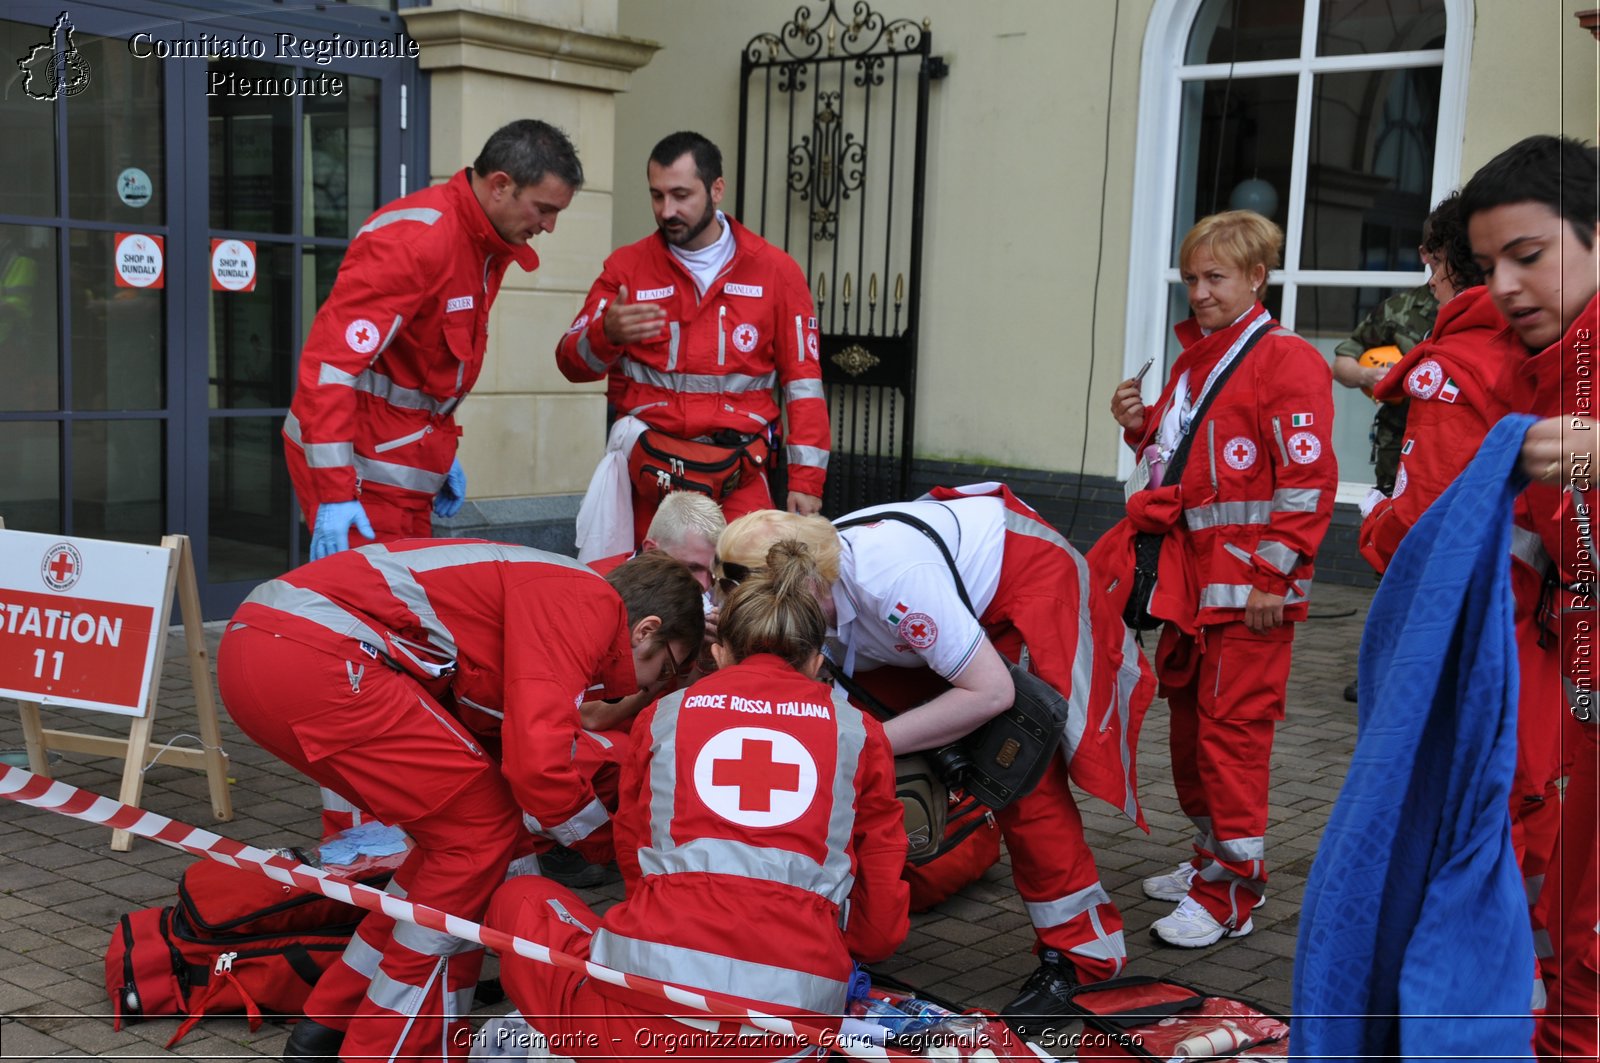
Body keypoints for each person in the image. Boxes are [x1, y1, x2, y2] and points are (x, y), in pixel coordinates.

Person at [216, 543, 702, 1062]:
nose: (655, 688)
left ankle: (326, 1026)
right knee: (479, 837)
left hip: (271, 646)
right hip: (317, 653)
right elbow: (537, 762)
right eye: (668, 671)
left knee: (452, 844)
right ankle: (380, 1048)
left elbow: (498, 730)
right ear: (646, 630)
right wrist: (609, 843)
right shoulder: (587, 602)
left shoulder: (562, 592)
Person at [715, 486, 1154, 1032]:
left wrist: (868, 742)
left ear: (802, 586)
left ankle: (1085, 959)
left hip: (1015, 585)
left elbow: (992, 693)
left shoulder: (896, 582)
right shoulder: (788, 575)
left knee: (1019, 782)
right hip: (897, 623)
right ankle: (828, 926)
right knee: (849, 764)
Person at [486, 540, 908, 1060]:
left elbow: (637, 854)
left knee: (520, 898)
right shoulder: (860, 732)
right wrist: (837, 948)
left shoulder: (665, 716)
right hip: (791, 1033)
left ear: (719, 651)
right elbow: (881, 912)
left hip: (640, 1019)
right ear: (819, 660)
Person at [1097, 210, 1336, 949]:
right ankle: (1209, 859)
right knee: (1193, 741)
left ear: (1257, 277)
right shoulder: (1197, 360)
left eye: (1215, 278)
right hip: (1194, 593)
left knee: (1232, 745)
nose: (1198, 292)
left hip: (1248, 599)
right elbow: (1181, 462)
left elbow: (1308, 480)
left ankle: (1232, 892)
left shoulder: (1285, 359)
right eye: (1191, 278)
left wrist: (1275, 573)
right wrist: (1139, 425)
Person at [1358, 191, 1564, 994]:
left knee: (1469, 815)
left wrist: (1376, 528)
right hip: (1543, 620)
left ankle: (1477, 997)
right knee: (1533, 799)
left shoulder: (1454, 362)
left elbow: (1428, 516)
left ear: (1445, 266)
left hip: (1479, 627)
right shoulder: (1545, 346)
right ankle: (1538, 985)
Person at [285, 119, 582, 560]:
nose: (550, 225)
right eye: (544, 209)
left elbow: (419, 372)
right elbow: (329, 370)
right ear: (501, 185)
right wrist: (335, 491)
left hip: (400, 465)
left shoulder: (482, 243)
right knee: (369, 613)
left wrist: (438, 452)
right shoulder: (415, 243)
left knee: (404, 610)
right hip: (361, 474)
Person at [1463, 134, 1600, 1062]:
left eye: (1529, 255)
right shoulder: (1537, 360)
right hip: (1574, 677)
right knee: (1572, 909)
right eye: (1486, 265)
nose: (1507, 285)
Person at [556, 131, 829, 554]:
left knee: (751, 589)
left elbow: (804, 383)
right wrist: (605, 335)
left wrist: (807, 481)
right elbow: (571, 363)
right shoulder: (628, 268)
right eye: (657, 196)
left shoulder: (775, 271)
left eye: (681, 195)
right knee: (654, 597)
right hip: (653, 476)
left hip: (740, 471)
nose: (668, 211)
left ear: (716, 189)